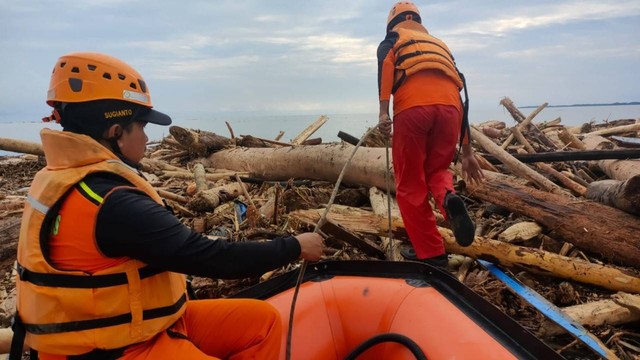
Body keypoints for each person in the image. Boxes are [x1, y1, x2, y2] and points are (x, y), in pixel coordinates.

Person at [10, 52, 324, 360]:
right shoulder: (113, 203)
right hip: (112, 348)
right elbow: (212, 259)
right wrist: (294, 246)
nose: (148, 138)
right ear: (115, 131)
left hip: (141, 325)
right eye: (142, 126)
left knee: (262, 323)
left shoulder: (58, 176)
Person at [377, 2, 484, 267]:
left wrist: (383, 112)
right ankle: (448, 200)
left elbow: (384, 68)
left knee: (410, 184)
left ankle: (432, 255)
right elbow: (461, 97)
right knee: (437, 170)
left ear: (392, 22)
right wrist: (467, 152)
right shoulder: (440, 45)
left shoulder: (392, 39)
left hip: (413, 110)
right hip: (451, 111)